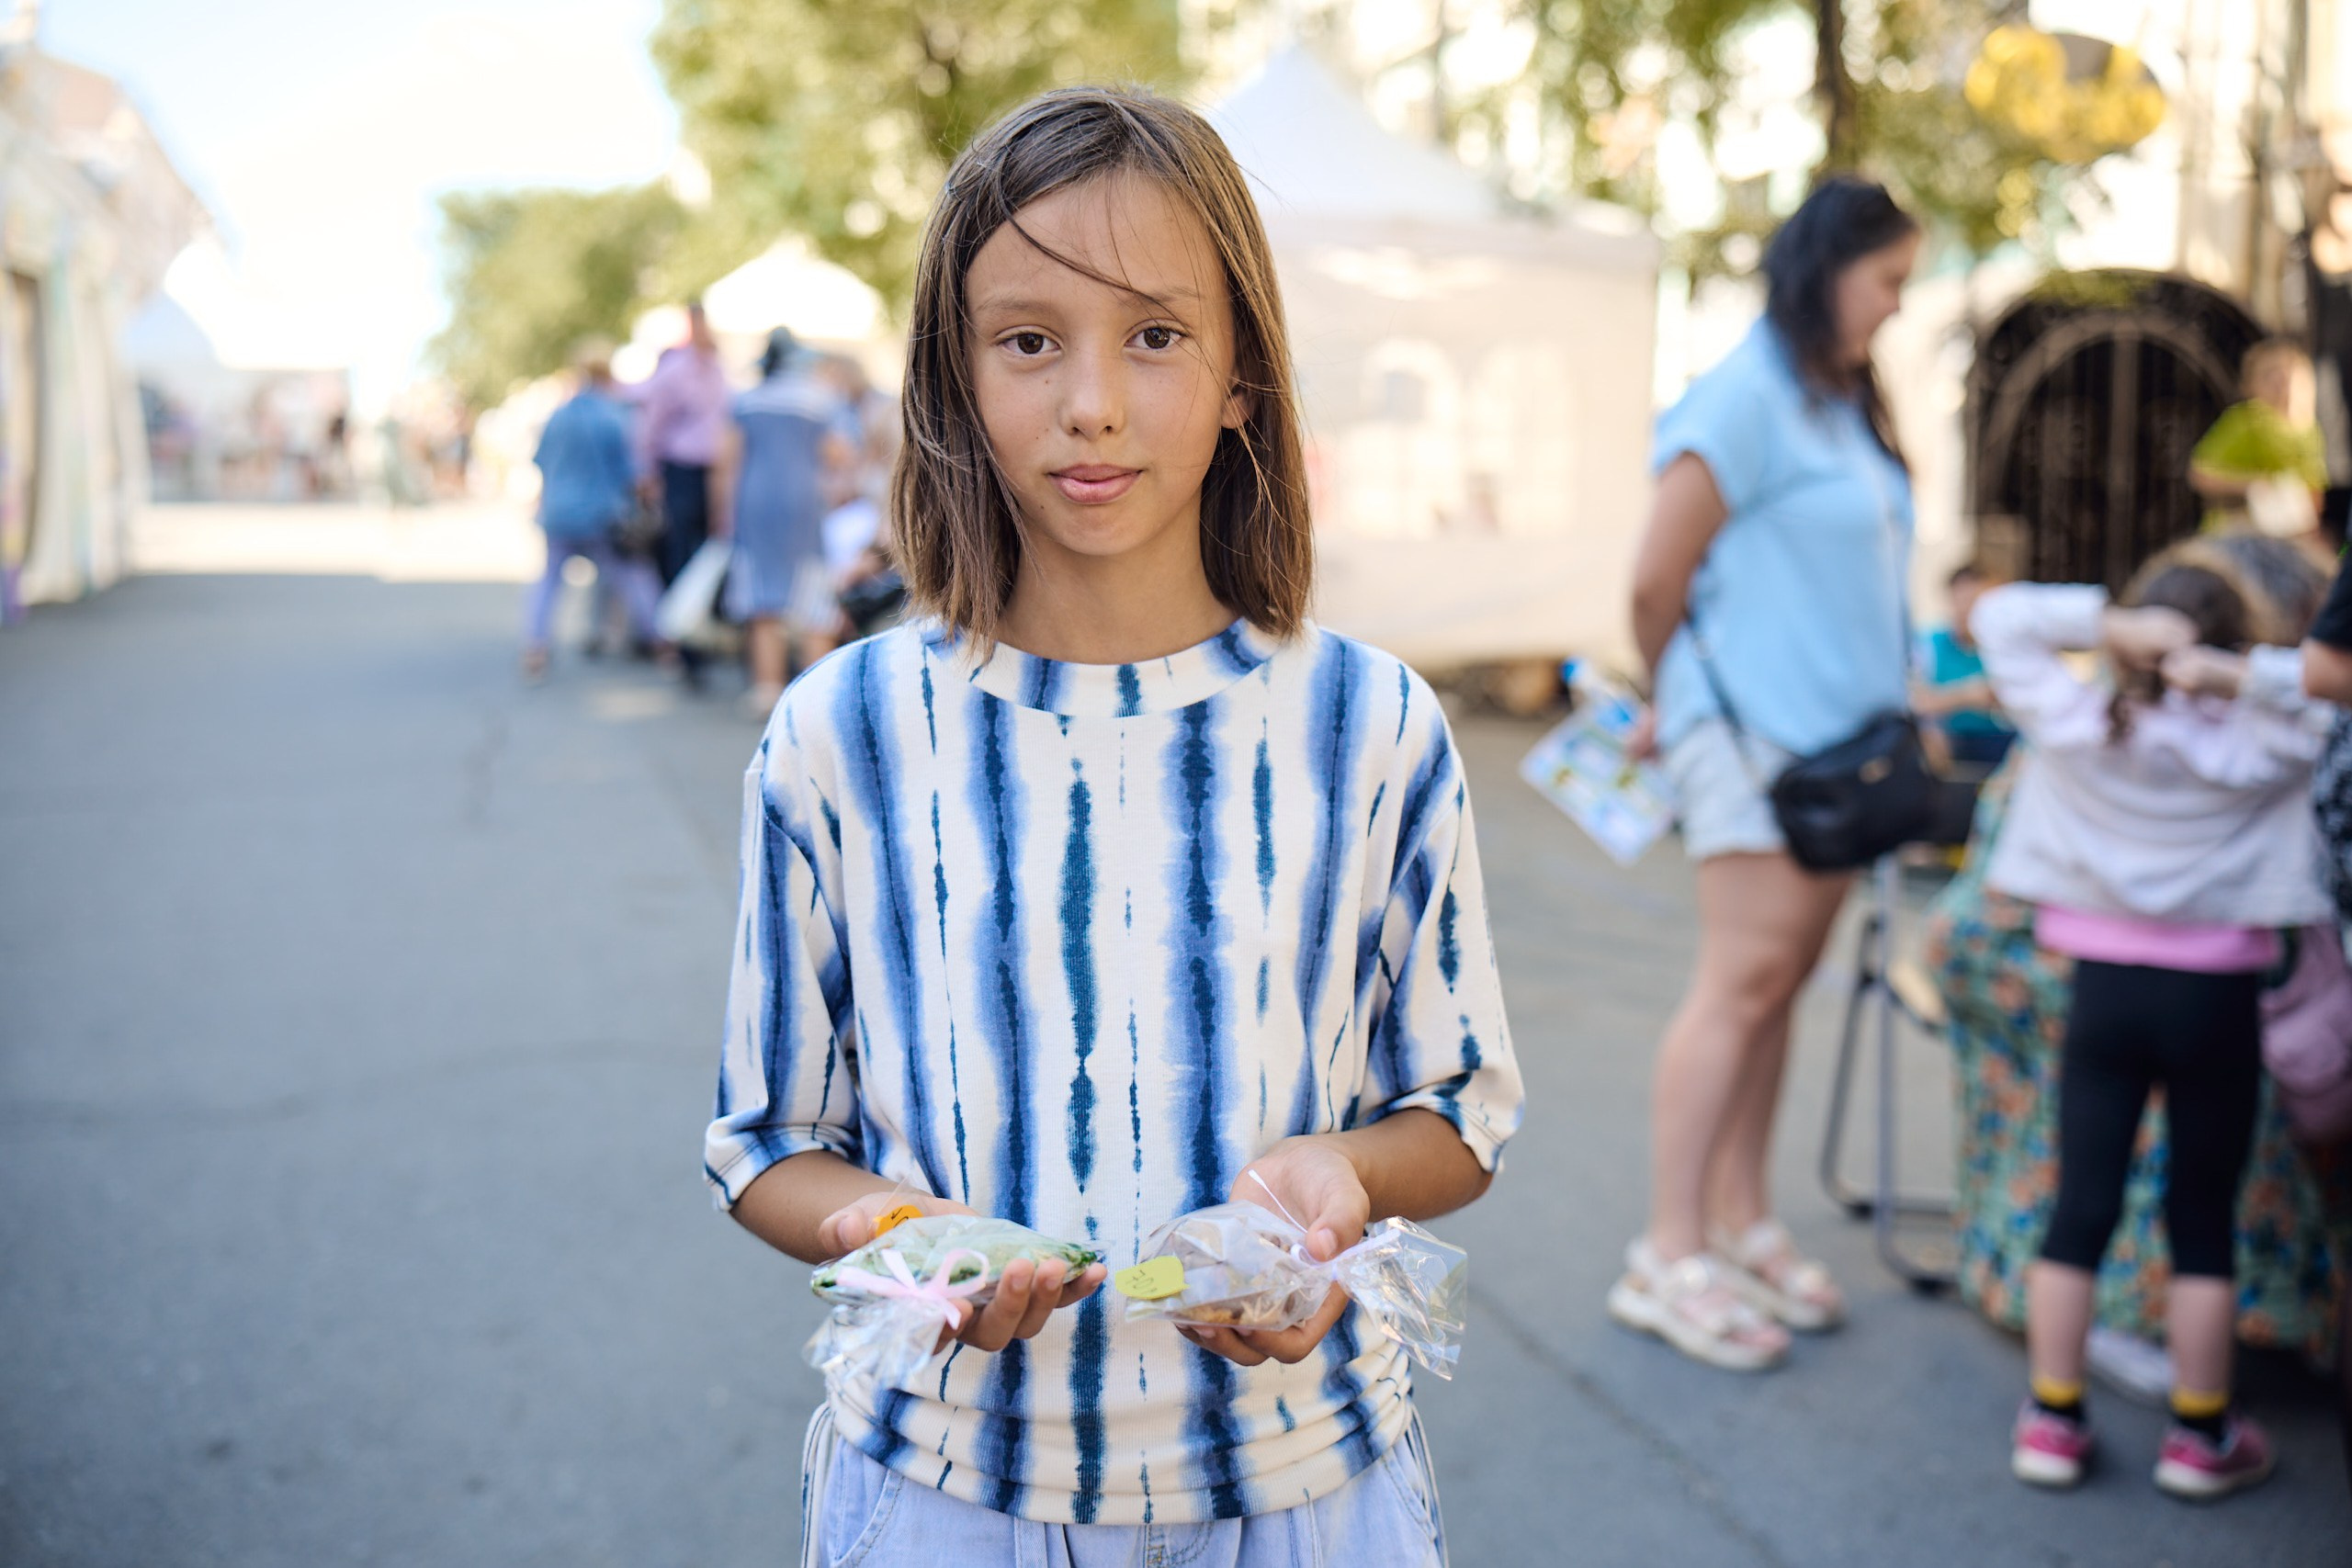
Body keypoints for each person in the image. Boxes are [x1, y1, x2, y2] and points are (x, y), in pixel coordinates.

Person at [702, 86, 1522, 1562]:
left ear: (1239, 384)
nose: (1091, 400)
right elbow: (768, 1139)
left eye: (1154, 334)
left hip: (1303, 1482)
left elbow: (1458, 1110)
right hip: (948, 1487)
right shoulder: (842, 732)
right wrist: (893, 1232)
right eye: (1029, 340)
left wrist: (1346, 1180)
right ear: (953, 382)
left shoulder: (1372, 724)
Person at [1615, 176, 1921, 1371]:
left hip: (1841, 754)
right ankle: (1667, 1248)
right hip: (1753, 743)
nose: (1897, 305)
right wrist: (1671, 698)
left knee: (1778, 986)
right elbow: (1654, 581)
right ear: (1828, 269)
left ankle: (1739, 1219)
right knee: (1741, 982)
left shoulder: (1837, 398)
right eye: (1888, 279)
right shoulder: (1744, 394)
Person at [1974, 547, 2331, 1500]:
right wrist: (2236, 675)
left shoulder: (2078, 721)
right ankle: (2200, 1435)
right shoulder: (2264, 742)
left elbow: (2001, 619)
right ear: (2239, 643)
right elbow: (2328, 696)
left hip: (2104, 990)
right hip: (2216, 995)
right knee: (2201, 1218)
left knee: (2080, 1202)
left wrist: (2107, 624)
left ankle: (2051, 1418)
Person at [714, 326, 854, 716]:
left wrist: (722, 513)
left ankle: (767, 689)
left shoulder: (746, 400)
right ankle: (814, 695)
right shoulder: (818, 400)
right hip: (804, 501)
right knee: (813, 597)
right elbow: (839, 454)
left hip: (755, 502)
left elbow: (726, 460)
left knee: (762, 602)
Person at [520, 340, 667, 682]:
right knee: (633, 578)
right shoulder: (613, 417)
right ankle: (664, 644)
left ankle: (535, 648)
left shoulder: (558, 415)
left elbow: (542, 463)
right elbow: (634, 474)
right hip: (603, 515)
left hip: (558, 513)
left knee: (548, 582)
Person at [637, 299, 733, 585]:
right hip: (681, 467)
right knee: (676, 540)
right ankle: (672, 616)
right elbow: (652, 425)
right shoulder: (676, 370)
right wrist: (649, 472)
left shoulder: (717, 369)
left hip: (712, 468)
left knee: (707, 541)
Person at [2190, 338, 2328, 538]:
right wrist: (2254, 486)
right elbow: (2200, 474)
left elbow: (2314, 489)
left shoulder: (2311, 430)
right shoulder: (2247, 421)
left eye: (2289, 371)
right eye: (2270, 374)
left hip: (2290, 540)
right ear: (2249, 386)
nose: (2282, 381)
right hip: (2239, 537)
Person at [1913, 562, 2016, 772]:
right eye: (1961, 602)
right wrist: (1967, 696)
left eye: (1975, 603)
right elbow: (1913, 702)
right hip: (1947, 743)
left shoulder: (2008, 648)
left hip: (2002, 743)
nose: (1966, 611)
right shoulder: (1927, 645)